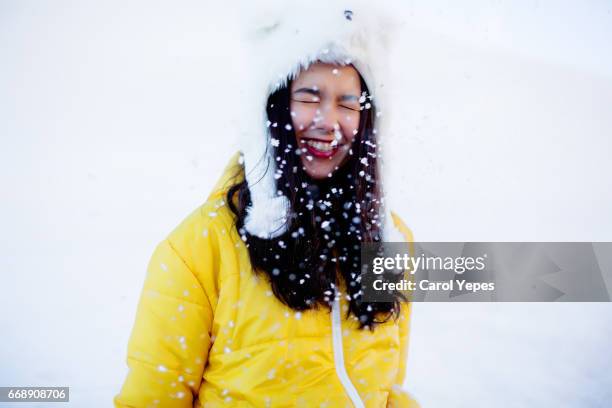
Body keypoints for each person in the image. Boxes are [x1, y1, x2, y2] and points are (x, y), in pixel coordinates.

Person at [114, 2, 419, 407]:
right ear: (272, 108)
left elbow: (387, 389)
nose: (329, 120)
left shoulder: (389, 241)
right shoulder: (200, 246)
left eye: (347, 103)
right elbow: (152, 399)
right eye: (310, 97)